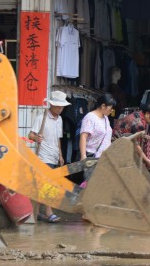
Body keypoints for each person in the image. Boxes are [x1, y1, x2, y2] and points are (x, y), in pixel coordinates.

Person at [28, 90, 70, 223]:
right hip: (43, 156)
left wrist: (60, 155)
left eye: (62, 106)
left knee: (45, 185)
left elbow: (58, 139)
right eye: (58, 106)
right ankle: (48, 212)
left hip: (54, 156)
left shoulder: (60, 119)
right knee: (48, 184)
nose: (60, 109)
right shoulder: (42, 117)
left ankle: (35, 212)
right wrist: (36, 138)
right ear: (51, 104)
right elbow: (31, 135)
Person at [113, 103, 150, 170]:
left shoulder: (138, 114)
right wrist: (146, 160)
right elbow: (136, 146)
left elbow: (131, 132)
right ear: (147, 114)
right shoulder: (139, 124)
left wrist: (146, 136)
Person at [79, 93, 116, 164]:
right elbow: (83, 136)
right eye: (111, 108)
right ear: (103, 106)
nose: (112, 110)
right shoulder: (90, 117)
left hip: (104, 158)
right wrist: (83, 156)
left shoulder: (106, 118)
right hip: (93, 158)